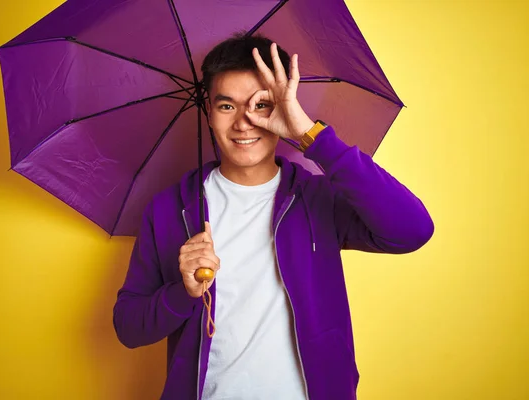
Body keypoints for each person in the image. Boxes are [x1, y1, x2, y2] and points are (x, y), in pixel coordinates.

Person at [113, 33, 434, 400]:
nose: (244, 123)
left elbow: (412, 230)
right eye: (227, 106)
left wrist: (309, 135)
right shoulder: (171, 208)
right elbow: (128, 327)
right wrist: (183, 293)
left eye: (261, 105)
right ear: (208, 112)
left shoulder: (317, 198)